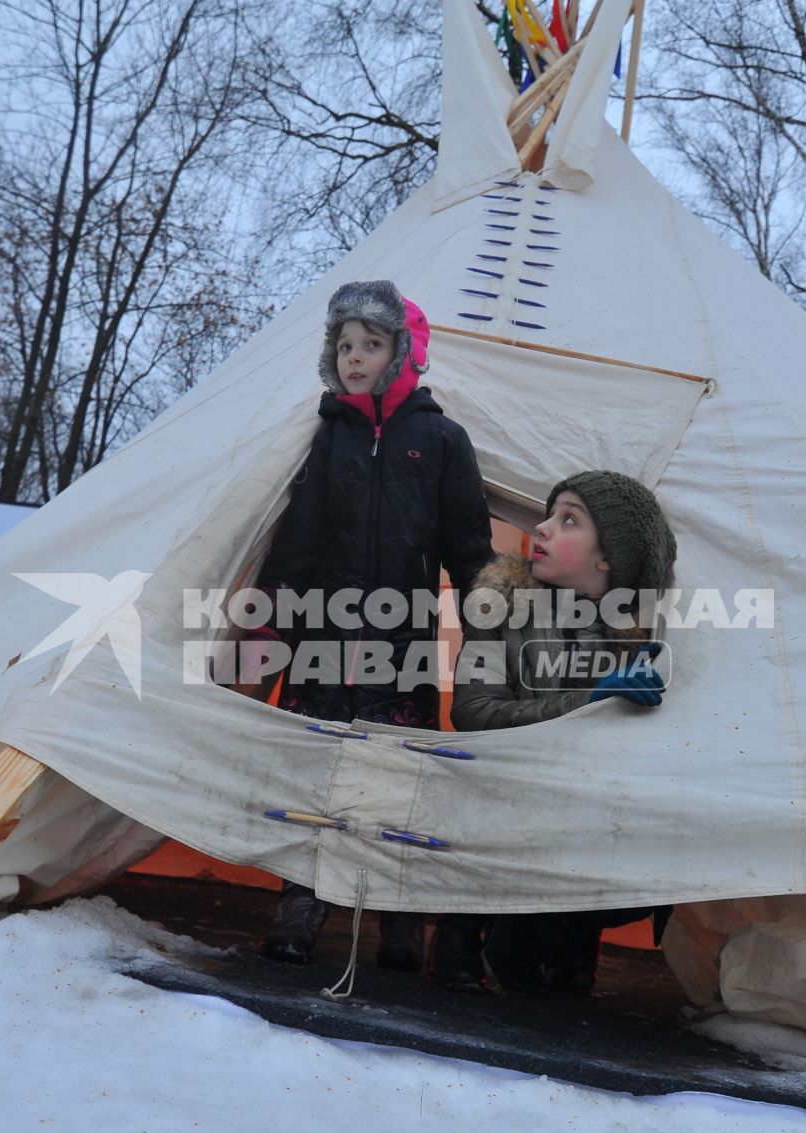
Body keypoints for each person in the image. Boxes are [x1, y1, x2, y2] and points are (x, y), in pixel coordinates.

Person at [253, 280, 496, 969]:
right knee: (318, 775)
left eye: (372, 343)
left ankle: (393, 920)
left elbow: (468, 543)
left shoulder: (442, 439)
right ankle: (300, 904)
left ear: (404, 352)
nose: (355, 356)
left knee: (395, 779)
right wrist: (271, 614)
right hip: (323, 640)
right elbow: (297, 538)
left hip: (400, 644)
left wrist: (489, 617)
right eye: (345, 344)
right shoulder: (328, 437)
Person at [432, 470, 678, 992]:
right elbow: (473, 710)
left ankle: (573, 933)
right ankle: (462, 928)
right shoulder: (499, 605)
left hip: (581, 809)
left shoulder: (642, 636)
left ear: (607, 557)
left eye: (568, 520)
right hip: (504, 790)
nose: (541, 529)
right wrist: (588, 703)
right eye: (548, 515)